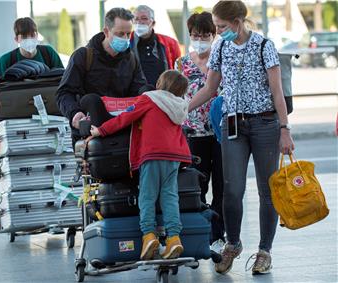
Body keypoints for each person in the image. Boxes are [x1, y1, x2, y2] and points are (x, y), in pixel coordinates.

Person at [188, 0, 295, 275]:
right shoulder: (221, 47)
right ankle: (233, 244)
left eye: (222, 26)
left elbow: (276, 90)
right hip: (232, 124)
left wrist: (285, 129)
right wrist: (180, 108)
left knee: (267, 190)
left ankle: (264, 251)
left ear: (237, 22)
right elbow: (211, 87)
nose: (218, 31)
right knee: (232, 190)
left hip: (265, 124)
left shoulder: (263, 45)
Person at [90, 70, 191, 260]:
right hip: (174, 156)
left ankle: (149, 235)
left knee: (147, 196)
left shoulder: (149, 99)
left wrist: (101, 130)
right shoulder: (180, 105)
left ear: (160, 83)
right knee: (169, 196)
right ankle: (174, 238)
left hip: (152, 154)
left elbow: (124, 118)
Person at [56, 8, 146, 144]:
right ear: (106, 31)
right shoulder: (83, 56)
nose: (125, 39)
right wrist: (74, 113)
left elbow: (138, 92)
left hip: (123, 131)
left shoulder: (131, 59)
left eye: (128, 34)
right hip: (91, 132)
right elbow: (64, 93)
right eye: (120, 34)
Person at [175, 12, 225, 255]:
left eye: (205, 35)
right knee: (197, 184)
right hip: (193, 132)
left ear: (213, 35)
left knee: (223, 186)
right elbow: (174, 95)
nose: (200, 40)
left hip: (222, 131)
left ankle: (218, 235)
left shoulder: (222, 58)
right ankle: (198, 232)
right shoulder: (181, 63)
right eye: (196, 35)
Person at [0, 17, 63, 100]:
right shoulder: (6, 60)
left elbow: (64, 81)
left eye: (32, 35)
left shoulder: (48, 53)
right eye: (24, 36)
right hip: (19, 109)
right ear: (17, 39)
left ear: (37, 35)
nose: (29, 39)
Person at [130, 5, 181, 86]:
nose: (139, 22)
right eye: (136, 19)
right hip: (136, 95)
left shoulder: (170, 43)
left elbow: (178, 70)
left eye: (144, 18)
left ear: (153, 23)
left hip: (163, 94)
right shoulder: (127, 42)